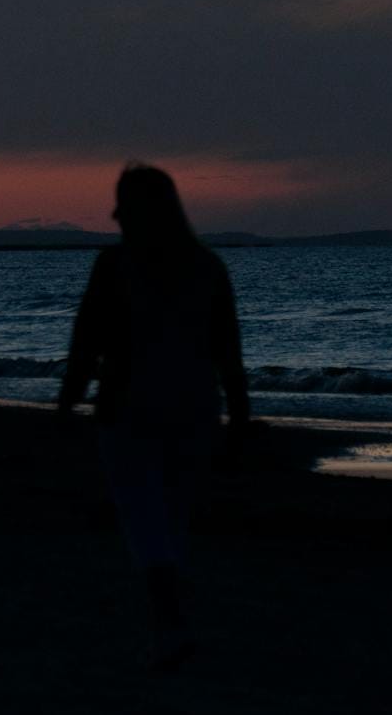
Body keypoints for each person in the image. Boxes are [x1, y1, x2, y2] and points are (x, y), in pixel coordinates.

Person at [58, 163, 250, 670]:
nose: (114, 212)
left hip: (128, 407)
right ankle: (172, 623)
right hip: (194, 408)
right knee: (171, 517)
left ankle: (170, 625)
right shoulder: (207, 267)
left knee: (144, 517)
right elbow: (228, 353)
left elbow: (86, 341)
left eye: (122, 202)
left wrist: (67, 401)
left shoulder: (114, 266)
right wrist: (239, 417)